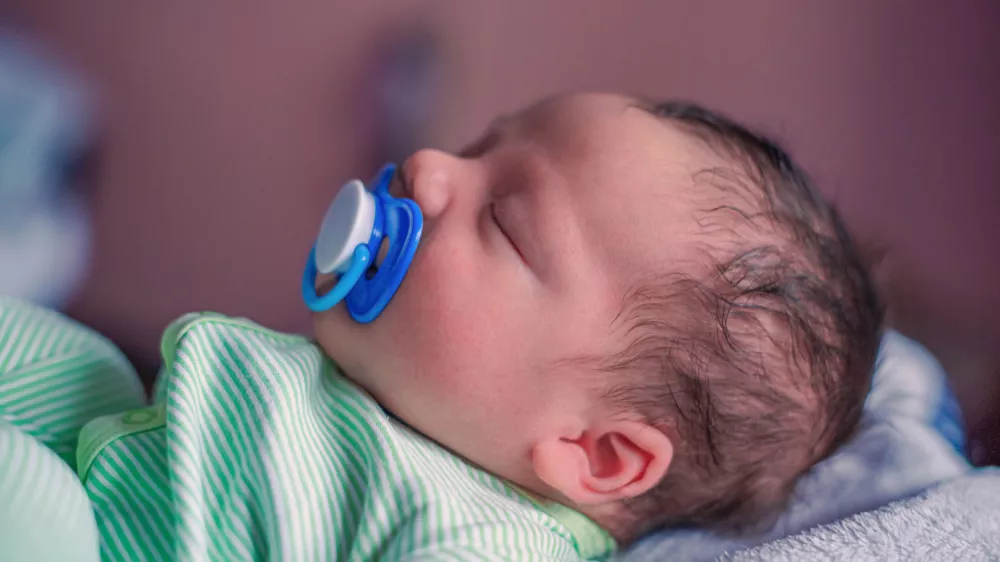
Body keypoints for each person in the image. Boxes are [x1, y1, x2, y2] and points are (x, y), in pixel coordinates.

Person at [0, 93, 883, 561]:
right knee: (66, 360)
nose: (426, 167)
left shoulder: (483, 542)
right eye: (476, 145)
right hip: (113, 450)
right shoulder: (411, 408)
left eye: (503, 221)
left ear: (598, 454)